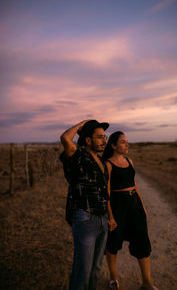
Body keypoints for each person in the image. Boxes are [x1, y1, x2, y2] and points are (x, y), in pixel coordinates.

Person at [102, 131, 158, 290]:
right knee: (113, 243)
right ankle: (113, 279)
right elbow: (106, 192)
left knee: (142, 242)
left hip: (135, 206)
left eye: (127, 141)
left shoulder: (129, 161)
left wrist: (143, 207)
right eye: (122, 142)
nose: (127, 144)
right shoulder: (108, 164)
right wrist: (111, 215)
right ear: (113, 145)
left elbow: (134, 186)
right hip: (118, 208)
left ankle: (147, 282)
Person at [59, 120, 111, 290]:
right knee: (83, 272)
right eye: (100, 137)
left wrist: (110, 216)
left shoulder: (101, 162)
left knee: (96, 269)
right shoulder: (78, 156)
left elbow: (105, 193)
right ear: (88, 140)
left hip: (103, 219)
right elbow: (66, 138)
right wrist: (82, 124)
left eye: (105, 137)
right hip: (86, 218)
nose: (104, 141)